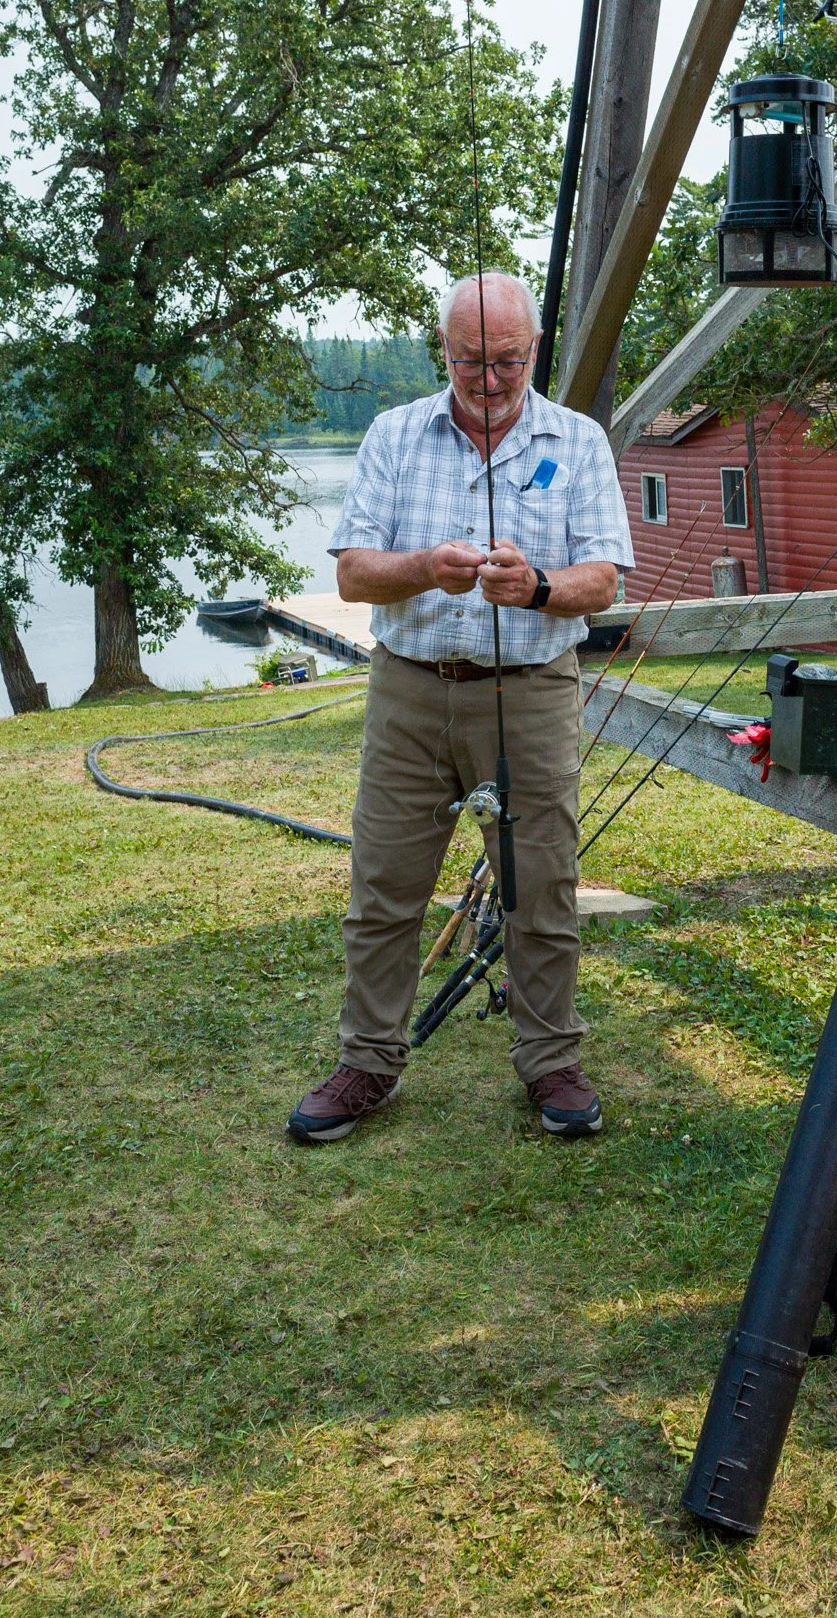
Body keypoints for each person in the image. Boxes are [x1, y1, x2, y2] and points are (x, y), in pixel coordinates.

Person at [287, 272, 634, 1145]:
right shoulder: (394, 435)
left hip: (531, 693)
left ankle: (551, 1057)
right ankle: (368, 1062)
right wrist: (423, 569)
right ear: (442, 350)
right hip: (408, 691)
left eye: (509, 361)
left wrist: (538, 586)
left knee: (540, 887)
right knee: (384, 886)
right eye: (471, 360)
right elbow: (353, 573)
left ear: (534, 351)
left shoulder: (578, 440)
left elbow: (603, 579)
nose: (490, 379)